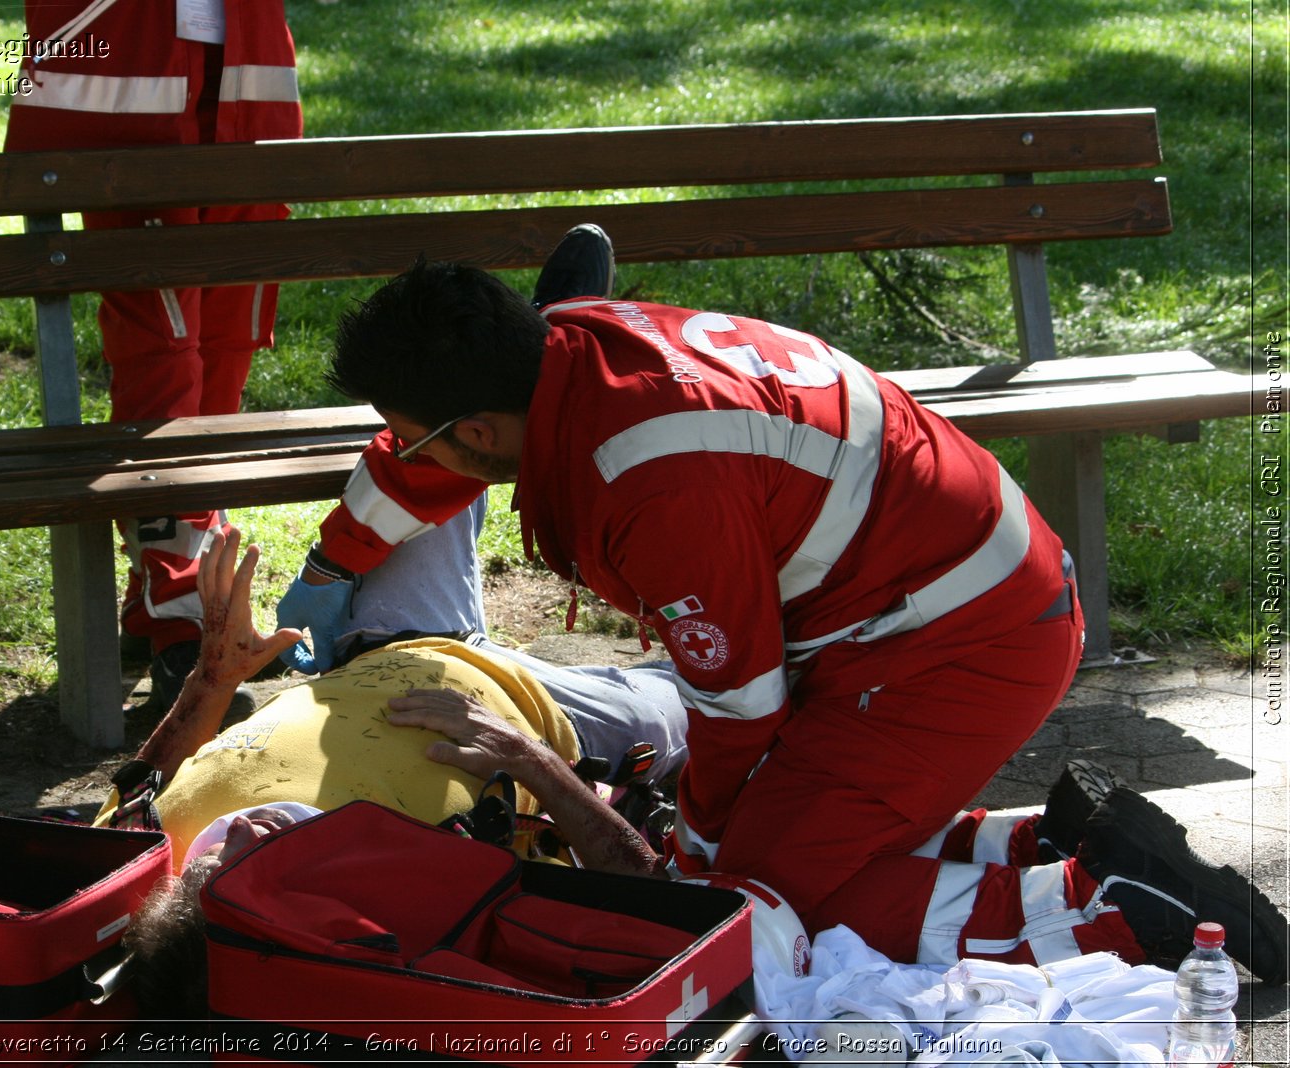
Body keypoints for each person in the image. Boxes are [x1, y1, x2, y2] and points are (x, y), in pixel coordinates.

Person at [269, 227, 1289, 984]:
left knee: (744, 917)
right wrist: (333, 556)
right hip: (926, 611)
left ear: (479, 429)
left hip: (953, 643)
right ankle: (1043, 844)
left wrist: (703, 850)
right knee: (761, 858)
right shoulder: (571, 350)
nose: (407, 458)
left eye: (413, 437)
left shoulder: (651, 478)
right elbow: (448, 460)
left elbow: (738, 711)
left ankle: (1115, 912)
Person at [109, 523, 688, 1016]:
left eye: (205, 866)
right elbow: (648, 890)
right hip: (553, 713)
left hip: (387, 643)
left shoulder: (141, 863)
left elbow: (142, 783)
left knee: (424, 447)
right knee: (732, 683)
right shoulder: (416, 898)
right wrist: (527, 756)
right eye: (260, 861)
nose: (238, 830)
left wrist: (210, 680)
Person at [4, 1, 302, 711]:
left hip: (245, 75)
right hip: (127, 76)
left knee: (228, 347)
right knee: (163, 358)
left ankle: (162, 594)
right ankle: (179, 605)